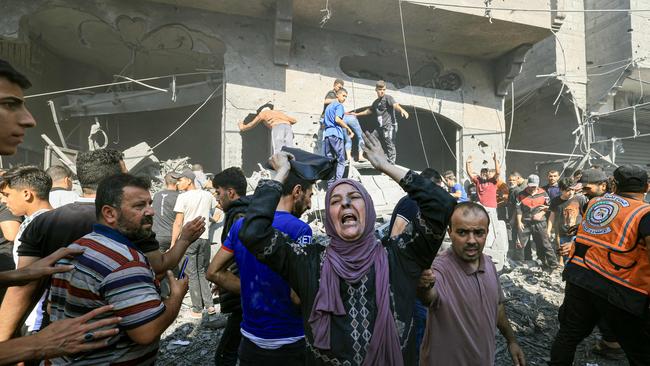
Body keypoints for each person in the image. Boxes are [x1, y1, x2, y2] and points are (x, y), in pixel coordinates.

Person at [237, 131, 456, 365]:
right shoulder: (308, 262)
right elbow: (253, 232)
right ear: (330, 218)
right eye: (335, 200)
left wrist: (385, 165)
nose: (345, 202)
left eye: (354, 196)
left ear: (369, 210)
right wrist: (281, 173)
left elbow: (442, 204)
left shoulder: (399, 255)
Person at [0, 149, 203, 342]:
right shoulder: (130, 223)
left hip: (55, 333)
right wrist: (184, 242)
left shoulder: (42, 222)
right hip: (118, 334)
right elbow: (158, 266)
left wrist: (9, 344)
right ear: (113, 182)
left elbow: (24, 285)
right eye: (124, 173)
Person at [0, 58, 125, 363]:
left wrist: (18, 277)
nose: (29, 120)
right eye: (9, 104)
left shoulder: (42, 224)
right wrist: (34, 345)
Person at [48, 173, 192, 364]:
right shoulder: (125, 262)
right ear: (109, 213)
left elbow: (53, 307)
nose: (151, 211)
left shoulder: (77, 246)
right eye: (139, 206)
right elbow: (146, 332)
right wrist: (176, 296)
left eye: (149, 203)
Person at [207, 170, 314, 365]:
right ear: (297, 191)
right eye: (310, 195)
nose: (310, 204)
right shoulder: (300, 229)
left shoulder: (240, 225)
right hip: (290, 339)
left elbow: (213, 271)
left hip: (250, 339)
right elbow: (297, 297)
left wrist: (250, 289)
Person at [550, 165, 650, 365]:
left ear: (614, 185)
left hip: (581, 278)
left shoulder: (596, 203)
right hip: (621, 288)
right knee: (640, 352)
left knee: (568, 335)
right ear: (647, 187)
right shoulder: (644, 213)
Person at [418, 202, 525, 366]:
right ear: (450, 232)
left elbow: (497, 307)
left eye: (478, 233)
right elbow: (429, 297)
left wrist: (511, 341)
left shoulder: (488, 263)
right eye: (462, 232)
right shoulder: (439, 269)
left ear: (487, 233)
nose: (471, 240)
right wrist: (425, 285)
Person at [387, 167, 443, 364]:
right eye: (438, 190)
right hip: (409, 279)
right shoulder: (412, 202)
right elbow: (395, 235)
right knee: (417, 329)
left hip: (410, 276)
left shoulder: (414, 202)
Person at [0, 166, 52, 335]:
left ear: (26, 194)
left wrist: (4, 335)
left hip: (33, 319)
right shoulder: (51, 219)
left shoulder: (35, 226)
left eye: (7, 195)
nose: (4, 201)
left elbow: (25, 283)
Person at [211, 166, 250, 366]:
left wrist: (226, 278)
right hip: (241, 293)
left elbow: (246, 259)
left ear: (230, 192)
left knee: (225, 355)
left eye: (218, 192)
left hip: (243, 296)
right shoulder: (238, 213)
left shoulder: (239, 217)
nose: (216, 198)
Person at [171, 168, 217, 318]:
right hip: (204, 238)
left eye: (180, 180)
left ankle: (197, 309)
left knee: (191, 274)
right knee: (202, 272)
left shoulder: (183, 197)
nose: (177, 183)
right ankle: (210, 306)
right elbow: (218, 209)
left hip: (190, 239)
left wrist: (173, 244)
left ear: (189, 181)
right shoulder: (207, 195)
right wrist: (212, 221)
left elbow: (178, 223)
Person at [351, 80, 409, 164]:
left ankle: (391, 163)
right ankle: (367, 156)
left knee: (390, 143)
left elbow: (395, 105)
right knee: (371, 138)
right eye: (380, 89)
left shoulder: (388, 98)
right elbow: (369, 111)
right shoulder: (376, 102)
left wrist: (402, 110)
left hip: (389, 126)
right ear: (376, 90)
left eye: (384, 90)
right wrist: (357, 114)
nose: (382, 91)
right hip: (380, 127)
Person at [514, 174, 558, 269]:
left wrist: (542, 213)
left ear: (538, 185)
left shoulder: (544, 193)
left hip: (540, 223)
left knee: (544, 243)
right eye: (530, 186)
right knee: (520, 244)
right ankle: (520, 265)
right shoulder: (521, 194)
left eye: (534, 186)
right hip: (525, 223)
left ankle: (552, 265)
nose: (532, 188)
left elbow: (550, 207)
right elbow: (518, 209)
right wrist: (519, 223)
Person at [547, 178, 585, 262]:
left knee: (576, 256)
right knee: (565, 256)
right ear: (561, 190)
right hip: (562, 233)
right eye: (568, 190)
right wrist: (548, 230)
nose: (571, 192)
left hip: (576, 233)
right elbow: (551, 216)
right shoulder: (555, 201)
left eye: (572, 189)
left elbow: (585, 215)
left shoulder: (580, 199)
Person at [322, 88, 353, 187]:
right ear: (337, 95)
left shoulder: (328, 107)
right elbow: (337, 119)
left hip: (327, 135)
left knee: (330, 161)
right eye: (343, 96)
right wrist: (348, 128)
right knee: (341, 160)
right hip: (336, 135)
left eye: (346, 97)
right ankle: (338, 183)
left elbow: (324, 122)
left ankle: (330, 185)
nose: (344, 98)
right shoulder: (339, 106)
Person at [152, 173, 179, 255]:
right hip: (173, 235)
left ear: (165, 182)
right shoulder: (180, 197)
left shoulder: (156, 196)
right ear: (177, 183)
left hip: (157, 235)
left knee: (159, 265)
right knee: (176, 264)